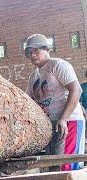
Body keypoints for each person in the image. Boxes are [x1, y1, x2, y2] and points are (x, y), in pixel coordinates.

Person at [25, 34, 85, 171]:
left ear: (46, 49)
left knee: (69, 168)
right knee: (53, 169)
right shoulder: (33, 76)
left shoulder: (58, 65)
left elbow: (76, 90)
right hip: (50, 126)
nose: (33, 54)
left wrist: (63, 118)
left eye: (36, 50)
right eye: (29, 52)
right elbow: (29, 101)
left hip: (69, 122)